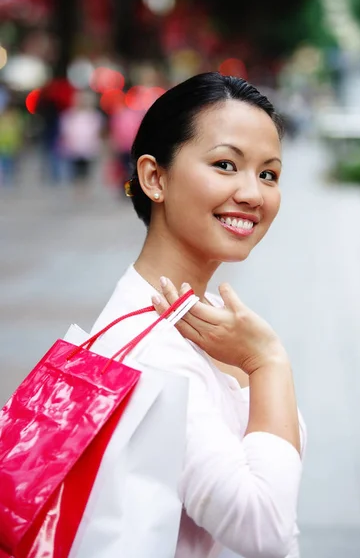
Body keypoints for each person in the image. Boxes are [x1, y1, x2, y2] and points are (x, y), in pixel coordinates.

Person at [90, 72, 306, 558]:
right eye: (226, 164)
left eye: (269, 173)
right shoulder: (153, 353)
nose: (254, 194)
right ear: (154, 178)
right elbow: (265, 531)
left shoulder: (200, 319)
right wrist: (268, 363)